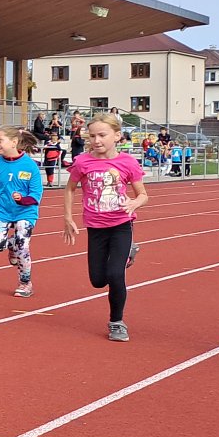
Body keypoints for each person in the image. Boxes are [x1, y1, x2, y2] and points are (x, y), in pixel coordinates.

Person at [64, 112, 148, 342]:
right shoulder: (82, 162)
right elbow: (70, 189)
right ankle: (129, 254)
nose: (96, 140)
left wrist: (134, 203)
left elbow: (143, 194)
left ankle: (116, 322)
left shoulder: (127, 162)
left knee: (115, 274)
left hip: (121, 224)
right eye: (92, 136)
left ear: (117, 136)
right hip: (95, 227)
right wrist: (68, 218)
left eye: (102, 135)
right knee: (98, 280)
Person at [0, 126, 43, 299]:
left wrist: (22, 200)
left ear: (14, 142)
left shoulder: (30, 166)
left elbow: (36, 194)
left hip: (25, 211)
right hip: (0, 211)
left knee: (23, 246)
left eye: (0, 140)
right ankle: (11, 245)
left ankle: (25, 283)